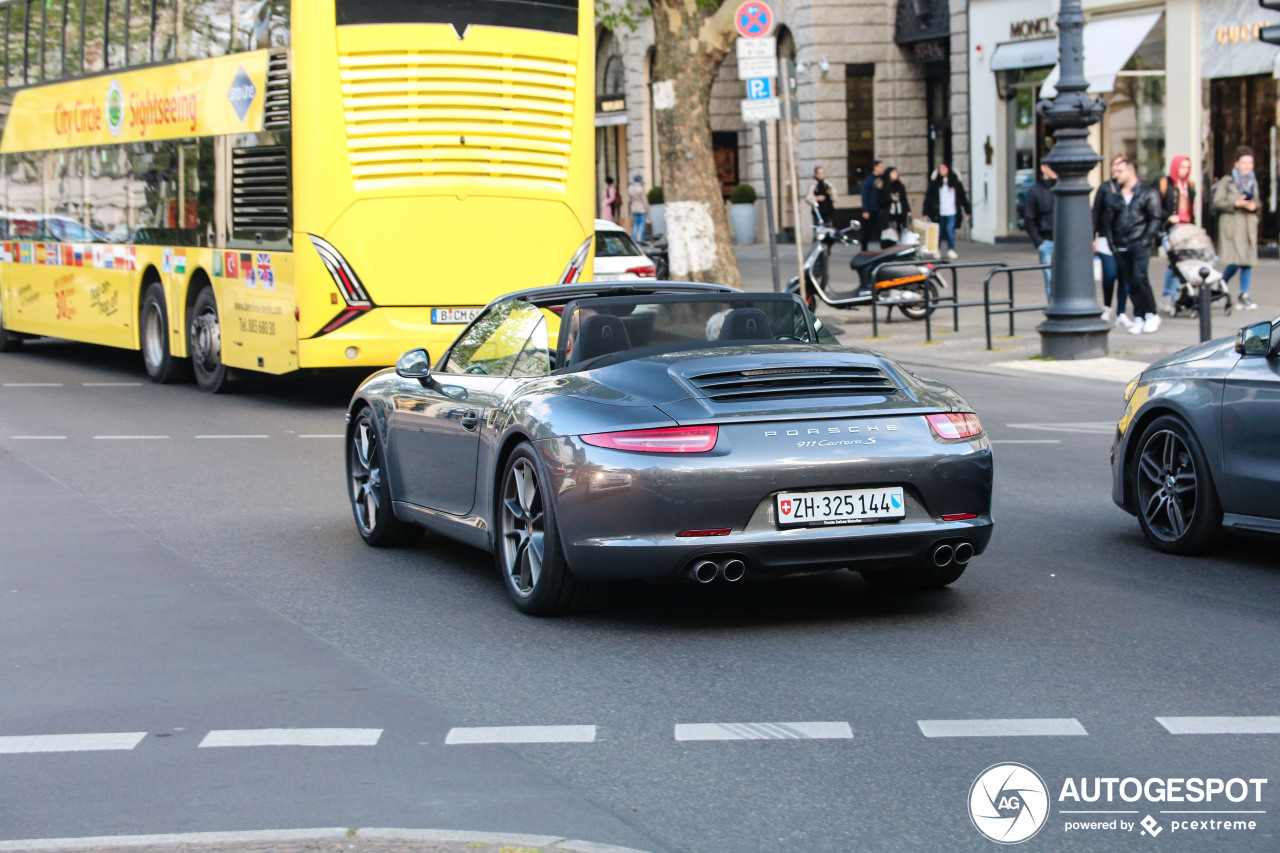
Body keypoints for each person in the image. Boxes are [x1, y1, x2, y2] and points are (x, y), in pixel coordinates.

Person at [1100, 155, 1163, 335]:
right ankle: (1139, 316)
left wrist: (1144, 240)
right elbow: (1108, 220)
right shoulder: (1115, 195)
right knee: (1130, 281)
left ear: (1130, 171)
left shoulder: (1147, 193)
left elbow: (1155, 218)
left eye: (1119, 171)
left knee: (1139, 277)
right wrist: (1111, 244)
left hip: (1139, 244)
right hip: (1120, 245)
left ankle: (1151, 313)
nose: (1116, 175)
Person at [1212, 146, 1259, 311]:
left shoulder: (1253, 181)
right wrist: (1235, 204)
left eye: (1250, 163)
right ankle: (1219, 286)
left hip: (1247, 226)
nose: (1247, 166)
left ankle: (1243, 295)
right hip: (1232, 226)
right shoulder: (1227, 180)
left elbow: (1258, 203)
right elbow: (1218, 202)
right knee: (1236, 262)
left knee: (1247, 262)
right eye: (1244, 162)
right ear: (1237, 163)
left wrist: (1253, 206)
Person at [1093, 154, 1129, 326]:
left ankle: (1121, 311)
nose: (1117, 169)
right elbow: (1096, 212)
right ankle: (1107, 306)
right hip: (1106, 238)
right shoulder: (1105, 188)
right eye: (1115, 165)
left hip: (1125, 239)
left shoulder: (1131, 189)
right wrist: (1092, 237)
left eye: (1121, 166)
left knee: (1125, 277)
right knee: (1110, 274)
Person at [1158, 155, 1196, 314]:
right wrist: (1168, 217)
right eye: (1182, 167)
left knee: (1186, 262)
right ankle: (1168, 295)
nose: (1185, 170)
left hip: (1186, 228)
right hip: (1170, 228)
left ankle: (1182, 296)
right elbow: (1156, 207)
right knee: (1174, 262)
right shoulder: (1165, 183)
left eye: (1187, 167)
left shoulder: (1190, 185)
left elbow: (1191, 209)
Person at [923, 163, 971, 260]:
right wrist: (926, 212)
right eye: (940, 168)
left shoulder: (955, 183)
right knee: (939, 232)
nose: (942, 170)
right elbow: (928, 198)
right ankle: (937, 250)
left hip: (951, 211)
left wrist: (967, 210)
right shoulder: (935, 183)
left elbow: (962, 198)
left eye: (944, 168)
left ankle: (951, 249)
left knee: (950, 231)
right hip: (939, 212)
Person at [1024, 162, 1056, 301]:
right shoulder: (1035, 191)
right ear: (1043, 168)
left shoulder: (1063, 187)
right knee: (1050, 279)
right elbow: (1029, 218)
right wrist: (1039, 242)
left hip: (1065, 242)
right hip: (1047, 240)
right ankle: (1053, 310)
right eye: (1051, 167)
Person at [875, 166, 910, 247]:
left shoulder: (900, 186)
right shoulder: (882, 186)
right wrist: (890, 198)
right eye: (893, 172)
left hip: (899, 215)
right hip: (887, 216)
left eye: (896, 172)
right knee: (887, 238)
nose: (896, 174)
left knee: (898, 236)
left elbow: (904, 200)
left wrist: (908, 210)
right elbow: (880, 200)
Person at [860, 161, 883, 250]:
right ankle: (864, 248)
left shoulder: (882, 179)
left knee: (881, 230)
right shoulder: (869, 179)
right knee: (867, 230)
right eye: (880, 166)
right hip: (871, 208)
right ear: (875, 167)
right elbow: (864, 195)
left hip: (880, 208)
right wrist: (865, 210)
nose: (882, 168)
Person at [627, 174, 649, 243]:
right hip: (641, 208)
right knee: (642, 224)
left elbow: (628, 200)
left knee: (635, 224)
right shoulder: (641, 188)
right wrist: (647, 208)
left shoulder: (630, 188)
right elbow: (644, 200)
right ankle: (641, 239)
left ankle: (634, 239)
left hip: (634, 208)